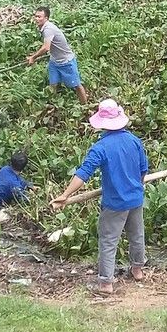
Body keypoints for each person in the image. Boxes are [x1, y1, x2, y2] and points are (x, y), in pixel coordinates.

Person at [51, 99, 148, 295]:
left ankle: (106, 283)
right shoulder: (134, 141)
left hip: (115, 203)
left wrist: (65, 195)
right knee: (136, 235)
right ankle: (137, 270)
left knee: (108, 240)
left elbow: (83, 174)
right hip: (136, 198)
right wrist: (136, 185)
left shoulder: (101, 148)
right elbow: (143, 171)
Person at [26, 6, 88, 104]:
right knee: (53, 85)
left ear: (46, 18)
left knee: (77, 86)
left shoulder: (48, 29)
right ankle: (53, 107)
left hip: (66, 62)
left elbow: (46, 47)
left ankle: (85, 106)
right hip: (54, 61)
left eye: (39, 17)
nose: (36, 19)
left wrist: (33, 57)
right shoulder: (43, 27)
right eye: (36, 16)